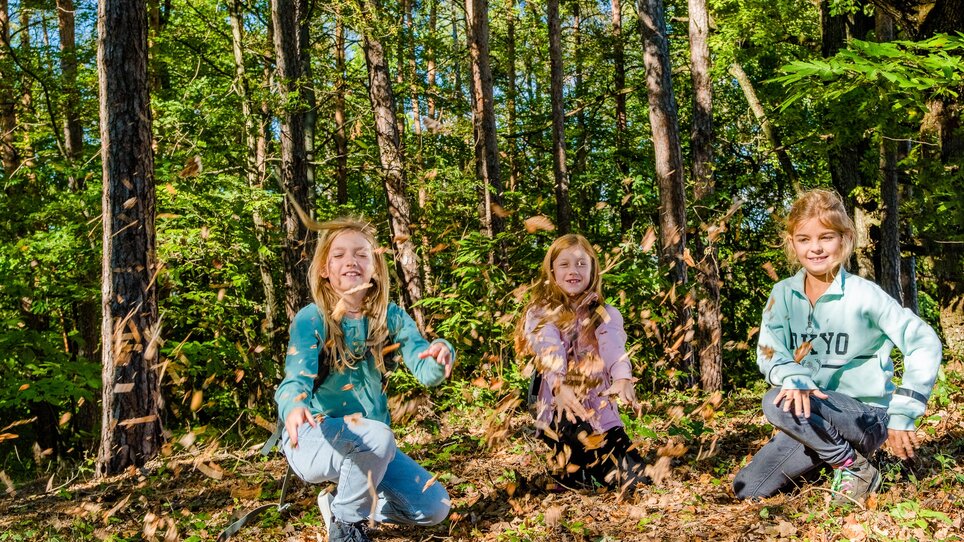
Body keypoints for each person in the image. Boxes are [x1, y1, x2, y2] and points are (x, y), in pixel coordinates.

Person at [733, 189, 942, 505]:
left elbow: (923, 342)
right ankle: (832, 455)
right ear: (792, 243)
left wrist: (903, 412)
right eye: (804, 239)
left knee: (774, 401)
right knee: (748, 488)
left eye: (826, 237)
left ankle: (852, 467)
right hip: (811, 416)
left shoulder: (864, 295)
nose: (815, 248)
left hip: (866, 417)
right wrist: (792, 375)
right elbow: (768, 350)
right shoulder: (783, 294)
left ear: (844, 239)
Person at [275, 217, 454, 542]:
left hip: (372, 444)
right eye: (339, 254)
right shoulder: (312, 318)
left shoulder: (391, 317)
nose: (351, 261)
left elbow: (425, 369)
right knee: (377, 437)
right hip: (314, 437)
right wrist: (293, 405)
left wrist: (440, 355)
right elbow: (295, 378)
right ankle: (346, 529)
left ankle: (342, 503)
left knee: (434, 506)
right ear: (325, 269)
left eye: (361, 254)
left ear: (374, 267)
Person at [515, 233, 646, 492]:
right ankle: (567, 467)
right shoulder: (540, 312)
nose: (573, 270)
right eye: (564, 264)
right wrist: (559, 385)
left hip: (598, 410)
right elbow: (549, 348)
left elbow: (613, 346)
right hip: (557, 406)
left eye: (581, 264)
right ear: (552, 271)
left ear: (592, 270)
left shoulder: (606, 313)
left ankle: (582, 467)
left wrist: (622, 377)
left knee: (636, 480)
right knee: (577, 461)